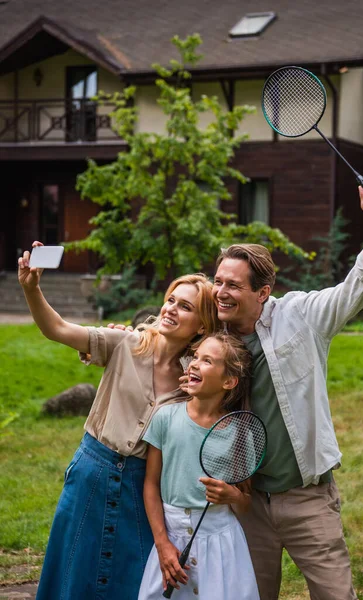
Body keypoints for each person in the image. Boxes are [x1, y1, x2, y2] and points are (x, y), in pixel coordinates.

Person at [210, 184, 363, 600]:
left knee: (335, 594)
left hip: (307, 496)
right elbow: (157, 340)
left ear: (262, 293)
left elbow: (359, 285)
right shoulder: (208, 340)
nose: (221, 291)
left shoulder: (300, 315)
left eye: (233, 285)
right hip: (246, 501)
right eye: (218, 281)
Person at [18, 242, 219, 600]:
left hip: (140, 488)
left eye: (185, 306)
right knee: (74, 569)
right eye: (171, 299)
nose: (171, 309)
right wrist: (32, 288)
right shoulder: (127, 343)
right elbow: (58, 329)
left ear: (201, 324)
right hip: (92, 474)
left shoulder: (193, 380)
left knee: (130, 577)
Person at [138, 332, 260, 600]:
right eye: (195, 356)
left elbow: (245, 502)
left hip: (221, 543)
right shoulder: (165, 418)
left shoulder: (241, 433)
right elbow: (150, 484)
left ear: (229, 381)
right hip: (171, 538)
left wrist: (234, 496)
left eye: (207, 361)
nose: (194, 363)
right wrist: (162, 545)